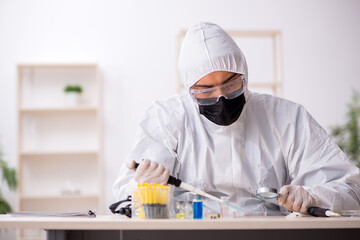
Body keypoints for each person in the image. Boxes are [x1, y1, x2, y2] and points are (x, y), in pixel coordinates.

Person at [113, 22, 360, 216]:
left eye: (231, 84)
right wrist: (143, 188)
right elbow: (122, 200)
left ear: (245, 74)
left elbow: (350, 189)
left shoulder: (286, 117)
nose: (221, 97)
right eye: (206, 90)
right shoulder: (167, 118)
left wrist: (313, 196)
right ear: (189, 90)